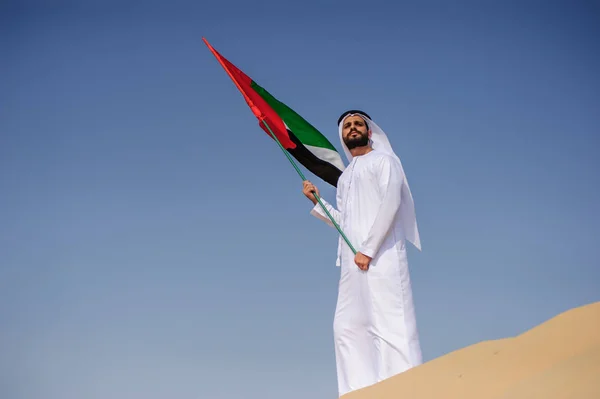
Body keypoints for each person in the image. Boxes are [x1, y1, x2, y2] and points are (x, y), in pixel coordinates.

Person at [302, 110, 423, 397]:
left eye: (358, 124)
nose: (353, 128)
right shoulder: (345, 178)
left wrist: (368, 251)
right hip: (352, 266)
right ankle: (357, 392)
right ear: (343, 136)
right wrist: (318, 201)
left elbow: (391, 202)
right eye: (348, 126)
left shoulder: (385, 161)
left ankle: (407, 388)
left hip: (383, 259)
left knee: (390, 326)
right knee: (346, 329)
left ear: (370, 132)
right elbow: (346, 222)